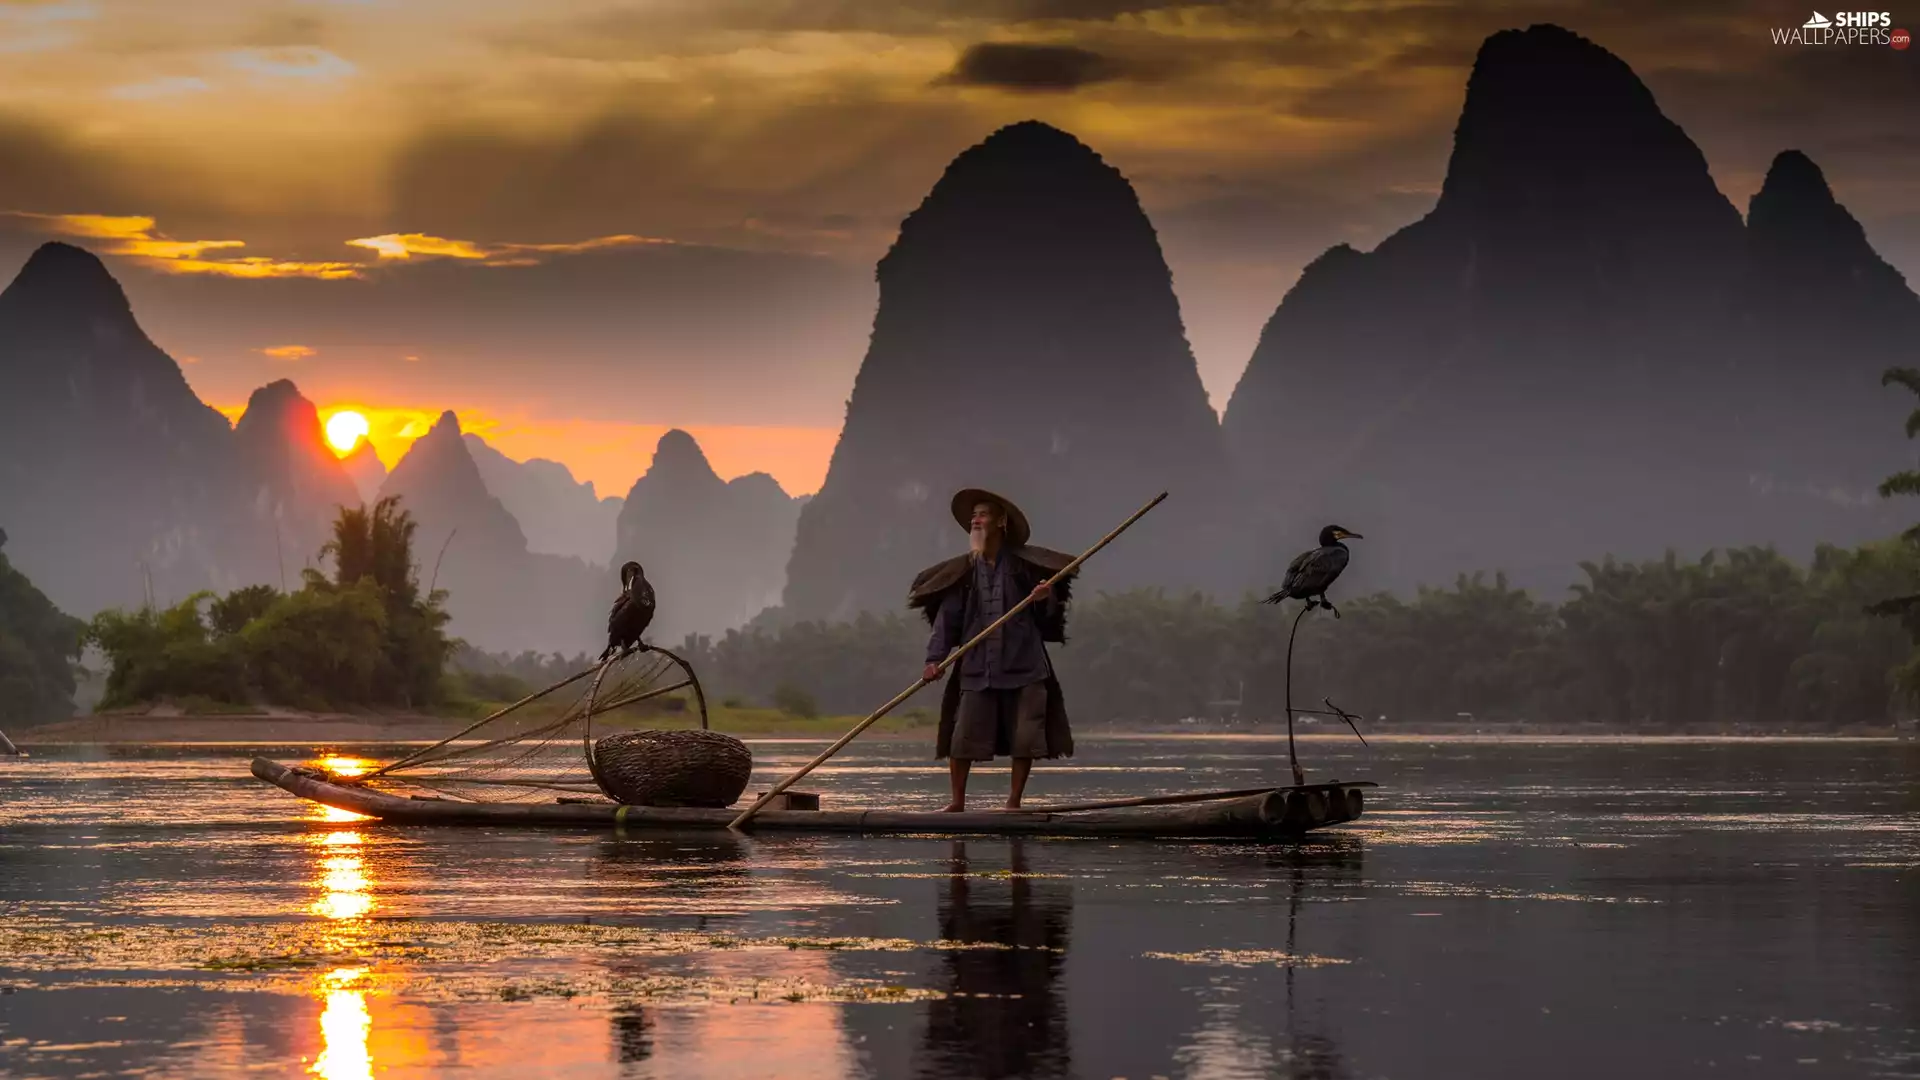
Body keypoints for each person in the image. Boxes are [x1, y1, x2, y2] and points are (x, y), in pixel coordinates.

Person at [909, 489, 1076, 811]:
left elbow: (1048, 618)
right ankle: (957, 803)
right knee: (963, 736)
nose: (976, 520)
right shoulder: (964, 572)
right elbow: (947, 619)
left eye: (982, 514)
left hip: (1025, 665)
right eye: (973, 516)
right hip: (977, 665)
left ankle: (1013, 803)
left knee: (1025, 738)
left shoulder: (1026, 567)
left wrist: (1045, 597)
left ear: (1001, 522)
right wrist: (934, 659)